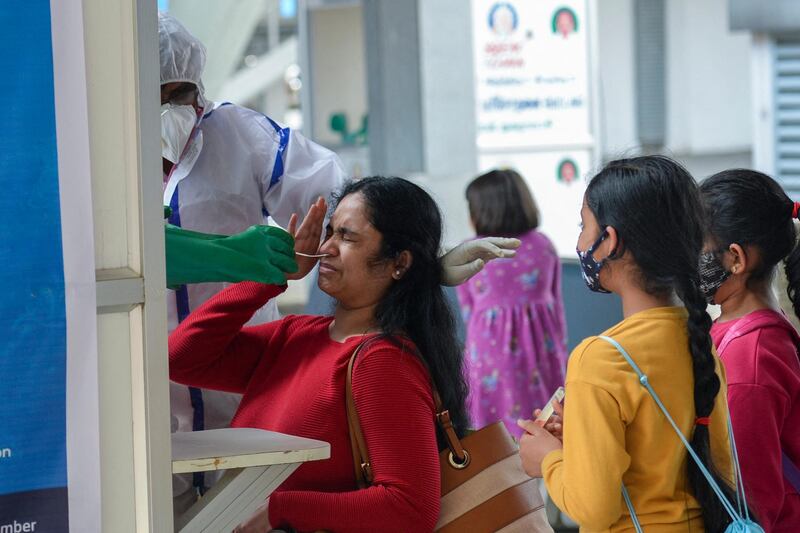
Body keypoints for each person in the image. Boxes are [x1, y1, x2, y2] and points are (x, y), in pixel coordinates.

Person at [170, 177, 470, 532]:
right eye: (329, 232)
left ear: (399, 263)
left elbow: (408, 507)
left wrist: (279, 510)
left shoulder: (383, 362)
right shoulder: (297, 335)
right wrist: (270, 276)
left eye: (347, 237)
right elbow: (182, 357)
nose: (326, 247)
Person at [517, 156, 738, 531]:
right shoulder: (700, 340)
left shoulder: (598, 358)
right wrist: (582, 437)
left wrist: (548, 459)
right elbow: (719, 469)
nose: (581, 240)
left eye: (583, 225)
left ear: (610, 241)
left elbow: (593, 509)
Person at [699, 169, 800, 532]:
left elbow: (753, 502)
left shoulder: (750, 359)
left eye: (697, 244)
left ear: (736, 259)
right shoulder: (747, 335)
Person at [456, 169, 567, 439]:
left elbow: (468, 310)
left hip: (488, 355)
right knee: (542, 422)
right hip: (540, 352)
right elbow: (556, 307)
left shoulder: (473, 251)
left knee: (488, 431)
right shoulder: (543, 245)